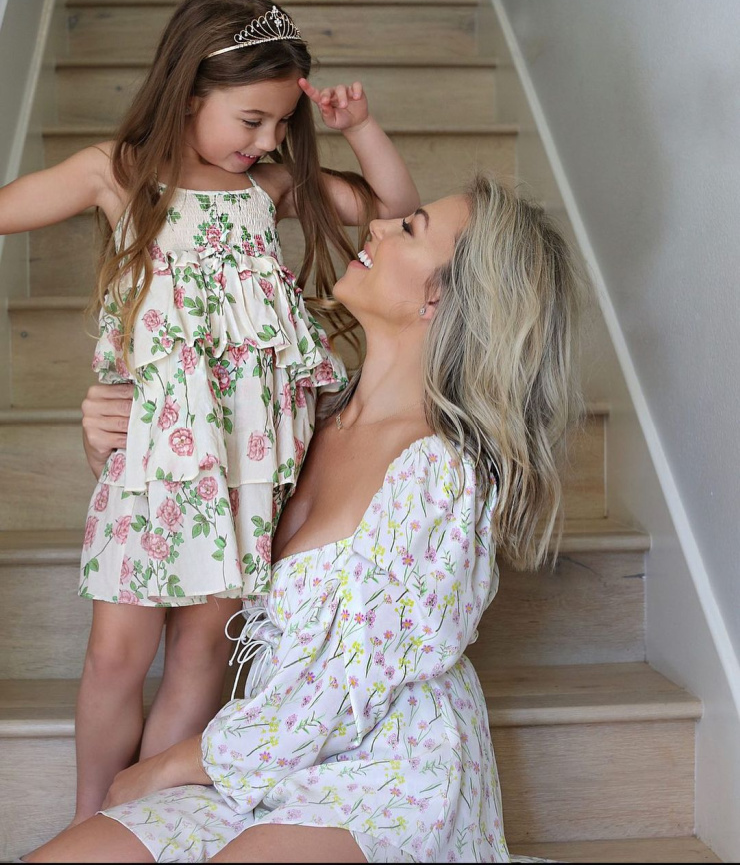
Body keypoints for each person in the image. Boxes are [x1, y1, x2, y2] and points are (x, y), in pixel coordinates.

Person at [24, 175, 585, 863]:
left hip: (383, 770)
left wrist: (169, 765)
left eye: (408, 229)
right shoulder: (293, 410)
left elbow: (339, 690)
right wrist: (109, 442)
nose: (376, 228)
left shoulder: (442, 476)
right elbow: (184, 514)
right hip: (255, 761)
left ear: (439, 296)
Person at [0, 0, 419, 826]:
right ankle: (89, 820)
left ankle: (141, 821)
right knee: (116, 655)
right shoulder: (116, 174)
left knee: (200, 655)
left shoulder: (267, 188)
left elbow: (398, 213)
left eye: (277, 126)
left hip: (244, 474)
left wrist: (359, 131)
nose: (266, 142)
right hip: (152, 471)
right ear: (190, 91)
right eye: (251, 120)